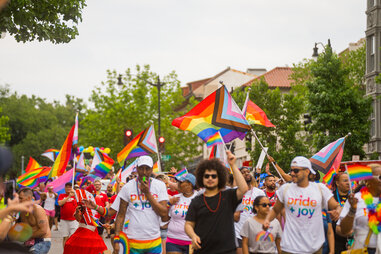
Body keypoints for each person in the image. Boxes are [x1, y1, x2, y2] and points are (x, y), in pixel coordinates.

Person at [263, 156, 341, 254]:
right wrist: (267, 219)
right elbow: (275, 210)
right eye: (291, 170)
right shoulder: (285, 189)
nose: (292, 173)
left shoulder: (320, 189)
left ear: (307, 171)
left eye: (296, 171)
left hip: (313, 248)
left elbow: (336, 206)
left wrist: (337, 211)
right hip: (289, 248)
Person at [184, 151, 248, 254]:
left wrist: (232, 164)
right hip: (203, 250)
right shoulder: (196, 201)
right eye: (207, 176)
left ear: (219, 178)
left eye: (214, 176)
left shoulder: (228, 196)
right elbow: (188, 224)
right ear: (201, 178)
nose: (210, 178)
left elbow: (244, 188)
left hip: (227, 250)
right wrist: (193, 236)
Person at [113, 155, 169, 254]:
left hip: (154, 241)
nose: (144, 172)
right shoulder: (128, 187)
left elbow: (164, 213)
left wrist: (147, 193)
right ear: (137, 168)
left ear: (152, 169)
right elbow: (121, 215)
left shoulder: (159, 185)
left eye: (147, 169)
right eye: (141, 168)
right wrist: (117, 239)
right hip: (133, 241)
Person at [337, 164, 381, 254]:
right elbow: (344, 230)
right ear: (367, 180)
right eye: (380, 177)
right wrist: (352, 210)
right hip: (362, 250)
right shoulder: (356, 199)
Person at [234, 166, 265, 254]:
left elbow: (265, 211)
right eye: (243, 172)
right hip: (238, 232)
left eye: (248, 171)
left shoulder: (259, 192)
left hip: (255, 232)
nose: (247, 173)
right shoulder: (234, 192)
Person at [164, 173, 197, 254]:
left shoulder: (199, 198)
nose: (178, 184)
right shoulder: (175, 198)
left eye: (181, 182)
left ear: (189, 184)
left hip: (191, 242)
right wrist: (169, 204)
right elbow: (165, 217)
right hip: (173, 240)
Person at [18, 188, 51, 254]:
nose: (19, 200)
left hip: (42, 241)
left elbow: (43, 231)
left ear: (29, 198)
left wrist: (28, 236)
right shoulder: (22, 211)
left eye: (21, 198)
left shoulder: (37, 209)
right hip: (29, 241)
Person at [330, 172, 351, 253]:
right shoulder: (331, 198)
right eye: (345, 181)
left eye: (349, 180)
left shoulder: (354, 197)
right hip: (335, 239)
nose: (348, 183)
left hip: (351, 238)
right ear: (337, 183)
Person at [58, 182, 78, 248]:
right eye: (67, 187)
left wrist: (74, 194)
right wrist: (69, 196)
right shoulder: (61, 195)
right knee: (65, 237)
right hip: (64, 220)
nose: (68, 188)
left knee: (73, 238)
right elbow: (60, 203)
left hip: (74, 220)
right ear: (65, 188)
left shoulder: (76, 196)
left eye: (70, 187)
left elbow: (80, 203)